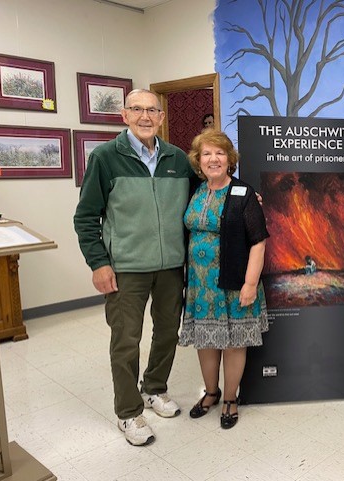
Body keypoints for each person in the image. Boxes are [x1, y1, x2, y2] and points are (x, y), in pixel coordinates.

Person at [74, 89, 197, 446]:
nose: (145, 116)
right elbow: (86, 217)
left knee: (168, 333)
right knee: (126, 340)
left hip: (171, 265)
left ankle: (154, 388)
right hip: (126, 268)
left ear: (161, 117)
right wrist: (99, 263)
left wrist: (246, 197)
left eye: (152, 110)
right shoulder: (105, 157)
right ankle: (128, 411)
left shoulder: (177, 158)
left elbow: (204, 198)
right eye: (137, 109)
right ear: (124, 115)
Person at [179, 130, 269, 429]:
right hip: (200, 285)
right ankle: (211, 393)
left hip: (233, 282)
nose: (213, 159)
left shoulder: (244, 193)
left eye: (219, 153)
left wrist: (250, 283)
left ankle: (230, 398)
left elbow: (258, 242)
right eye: (206, 153)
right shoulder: (195, 190)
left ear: (230, 159)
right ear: (198, 160)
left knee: (233, 344)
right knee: (205, 341)